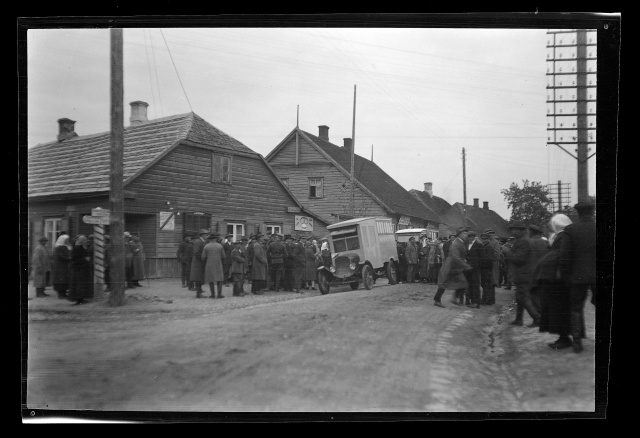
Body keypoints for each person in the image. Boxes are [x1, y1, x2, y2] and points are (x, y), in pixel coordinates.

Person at [558, 202, 596, 353]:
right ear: (592, 212)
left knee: (576, 308)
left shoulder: (570, 229)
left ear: (578, 213)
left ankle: (578, 343)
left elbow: (564, 256)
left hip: (578, 276)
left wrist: (566, 275)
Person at [532, 214, 574, 350]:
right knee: (558, 309)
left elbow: (561, 255)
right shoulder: (561, 236)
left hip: (558, 279)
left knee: (559, 309)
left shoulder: (563, 236)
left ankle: (564, 338)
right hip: (557, 278)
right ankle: (563, 337)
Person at [503, 220, 541, 327]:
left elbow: (519, 259)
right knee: (520, 297)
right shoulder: (522, 240)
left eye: (514, 230)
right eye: (512, 230)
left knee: (523, 297)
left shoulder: (523, 241)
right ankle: (519, 319)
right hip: (524, 273)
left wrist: (507, 251)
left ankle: (537, 318)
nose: (513, 232)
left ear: (520, 230)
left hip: (524, 274)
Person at [433, 227, 471, 308]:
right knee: (444, 283)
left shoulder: (461, 242)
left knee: (462, 283)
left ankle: (454, 298)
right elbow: (455, 257)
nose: (466, 235)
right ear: (460, 234)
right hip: (451, 266)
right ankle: (438, 300)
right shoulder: (456, 243)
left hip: (455, 266)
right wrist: (465, 265)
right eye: (464, 234)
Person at [526, 224, 550, 318]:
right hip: (543, 271)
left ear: (531, 232)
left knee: (532, 294)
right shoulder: (545, 242)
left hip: (532, 271)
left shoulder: (530, 242)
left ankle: (539, 316)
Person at [69, 235, 93, 305]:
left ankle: (82, 298)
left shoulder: (83, 247)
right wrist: (84, 259)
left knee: (82, 284)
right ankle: (78, 299)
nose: (85, 241)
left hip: (83, 269)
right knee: (79, 285)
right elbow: (74, 259)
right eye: (84, 240)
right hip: (78, 270)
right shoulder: (77, 248)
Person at [202, 233, 225, 299]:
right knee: (219, 279)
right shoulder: (220, 246)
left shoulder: (206, 246)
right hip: (218, 264)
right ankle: (219, 294)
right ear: (215, 239)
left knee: (211, 279)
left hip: (209, 264)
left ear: (210, 239)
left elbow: (203, 257)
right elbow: (223, 256)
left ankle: (212, 294)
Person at [464, 231, 484, 308]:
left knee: (475, 285)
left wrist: (475, 263)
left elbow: (482, 257)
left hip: (475, 268)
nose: (469, 238)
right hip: (468, 268)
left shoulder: (479, 244)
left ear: (474, 237)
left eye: (471, 237)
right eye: (468, 237)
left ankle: (477, 302)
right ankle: (472, 302)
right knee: (470, 285)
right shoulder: (467, 244)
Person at [51, 234, 73, 299]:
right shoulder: (59, 247)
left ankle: (63, 292)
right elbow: (61, 256)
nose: (67, 241)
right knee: (61, 279)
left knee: (64, 279)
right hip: (61, 266)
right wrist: (70, 258)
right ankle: (61, 294)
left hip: (64, 266)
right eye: (66, 240)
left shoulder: (63, 246)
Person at [190, 229, 209, 297]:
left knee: (200, 277)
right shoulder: (198, 241)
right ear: (202, 235)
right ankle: (198, 293)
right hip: (198, 263)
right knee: (198, 278)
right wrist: (202, 258)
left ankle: (199, 292)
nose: (207, 236)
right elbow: (196, 252)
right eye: (206, 235)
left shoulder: (203, 242)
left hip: (200, 262)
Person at [479, 233, 496, 305]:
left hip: (486, 268)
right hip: (485, 268)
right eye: (483, 239)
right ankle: (490, 300)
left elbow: (488, 259)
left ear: (488, 239)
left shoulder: (489, 247)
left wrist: (481, 262)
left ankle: (485, 300)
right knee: (486, 284)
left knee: (486, 284)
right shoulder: (484, 246)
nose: (484, 240)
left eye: (485, 239)